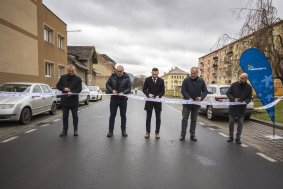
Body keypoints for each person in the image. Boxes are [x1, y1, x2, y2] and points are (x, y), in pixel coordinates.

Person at [179, 67, 208, 141]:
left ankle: (192, 135)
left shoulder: (201, 81)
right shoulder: (186, 80)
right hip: (187, 104)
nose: (193, 74)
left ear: (197, 73)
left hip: (196, 104)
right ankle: (182, 135)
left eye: (194, 73)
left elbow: (205, 91)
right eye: (192, 73)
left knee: (194, 120)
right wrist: (188, 98)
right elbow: (183, 90)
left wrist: (201, 97)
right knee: (184, 119)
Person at [106, 65, 132, 137]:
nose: (119, 73)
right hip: (114, 99)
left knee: (123, 115)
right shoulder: (112, 76)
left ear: (123, 71)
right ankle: (110, 131)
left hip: (123, 99)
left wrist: (123, 93)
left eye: (121, 71)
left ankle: (123, 131)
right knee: (112, 115)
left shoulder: (127, 77)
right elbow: (107, 84)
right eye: (118, 71)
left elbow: (129, 87)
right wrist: (112, 90)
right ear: (116, 70)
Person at [56, 64, 82, 137]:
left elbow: (79, 89)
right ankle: (64, 130)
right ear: (67, 70)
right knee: (65, 116)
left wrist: (72, 92)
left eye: (72, 71)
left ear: (74, 70)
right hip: (65, 101)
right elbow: (58, 86)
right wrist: (64, 89)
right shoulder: (63, 77)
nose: (71, 72)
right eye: (69, 71)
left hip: (74, 101)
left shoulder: (78, 79)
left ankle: (75, 130)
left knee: (75, 116)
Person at [226, 73, 252, 144]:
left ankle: (238, 138)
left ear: (245, 79)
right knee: (231, 123)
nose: (240, 79)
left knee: (240, 124)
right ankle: (231, 137)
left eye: (242, 78)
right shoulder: (234, 85)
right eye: (240, 77)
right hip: (233, 108)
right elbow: (228, 93)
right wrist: (234, 99)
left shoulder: (249, 87)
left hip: (241, 109)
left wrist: (245, 102)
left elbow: (249, 98)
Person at [142, 68, 165, 139]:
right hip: (149, 101)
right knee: (148, 118)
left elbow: (163, 91)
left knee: (158, 118)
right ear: (151, 73)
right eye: (153, 74)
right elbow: (144, 89)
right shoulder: (147, 79)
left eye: (156, 74)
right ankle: (147, 132)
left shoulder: (161, 80)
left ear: (158, 73)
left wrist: (159, 96)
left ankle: (157, 132)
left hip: (158, 102)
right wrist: (148, 94)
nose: (155, 75)